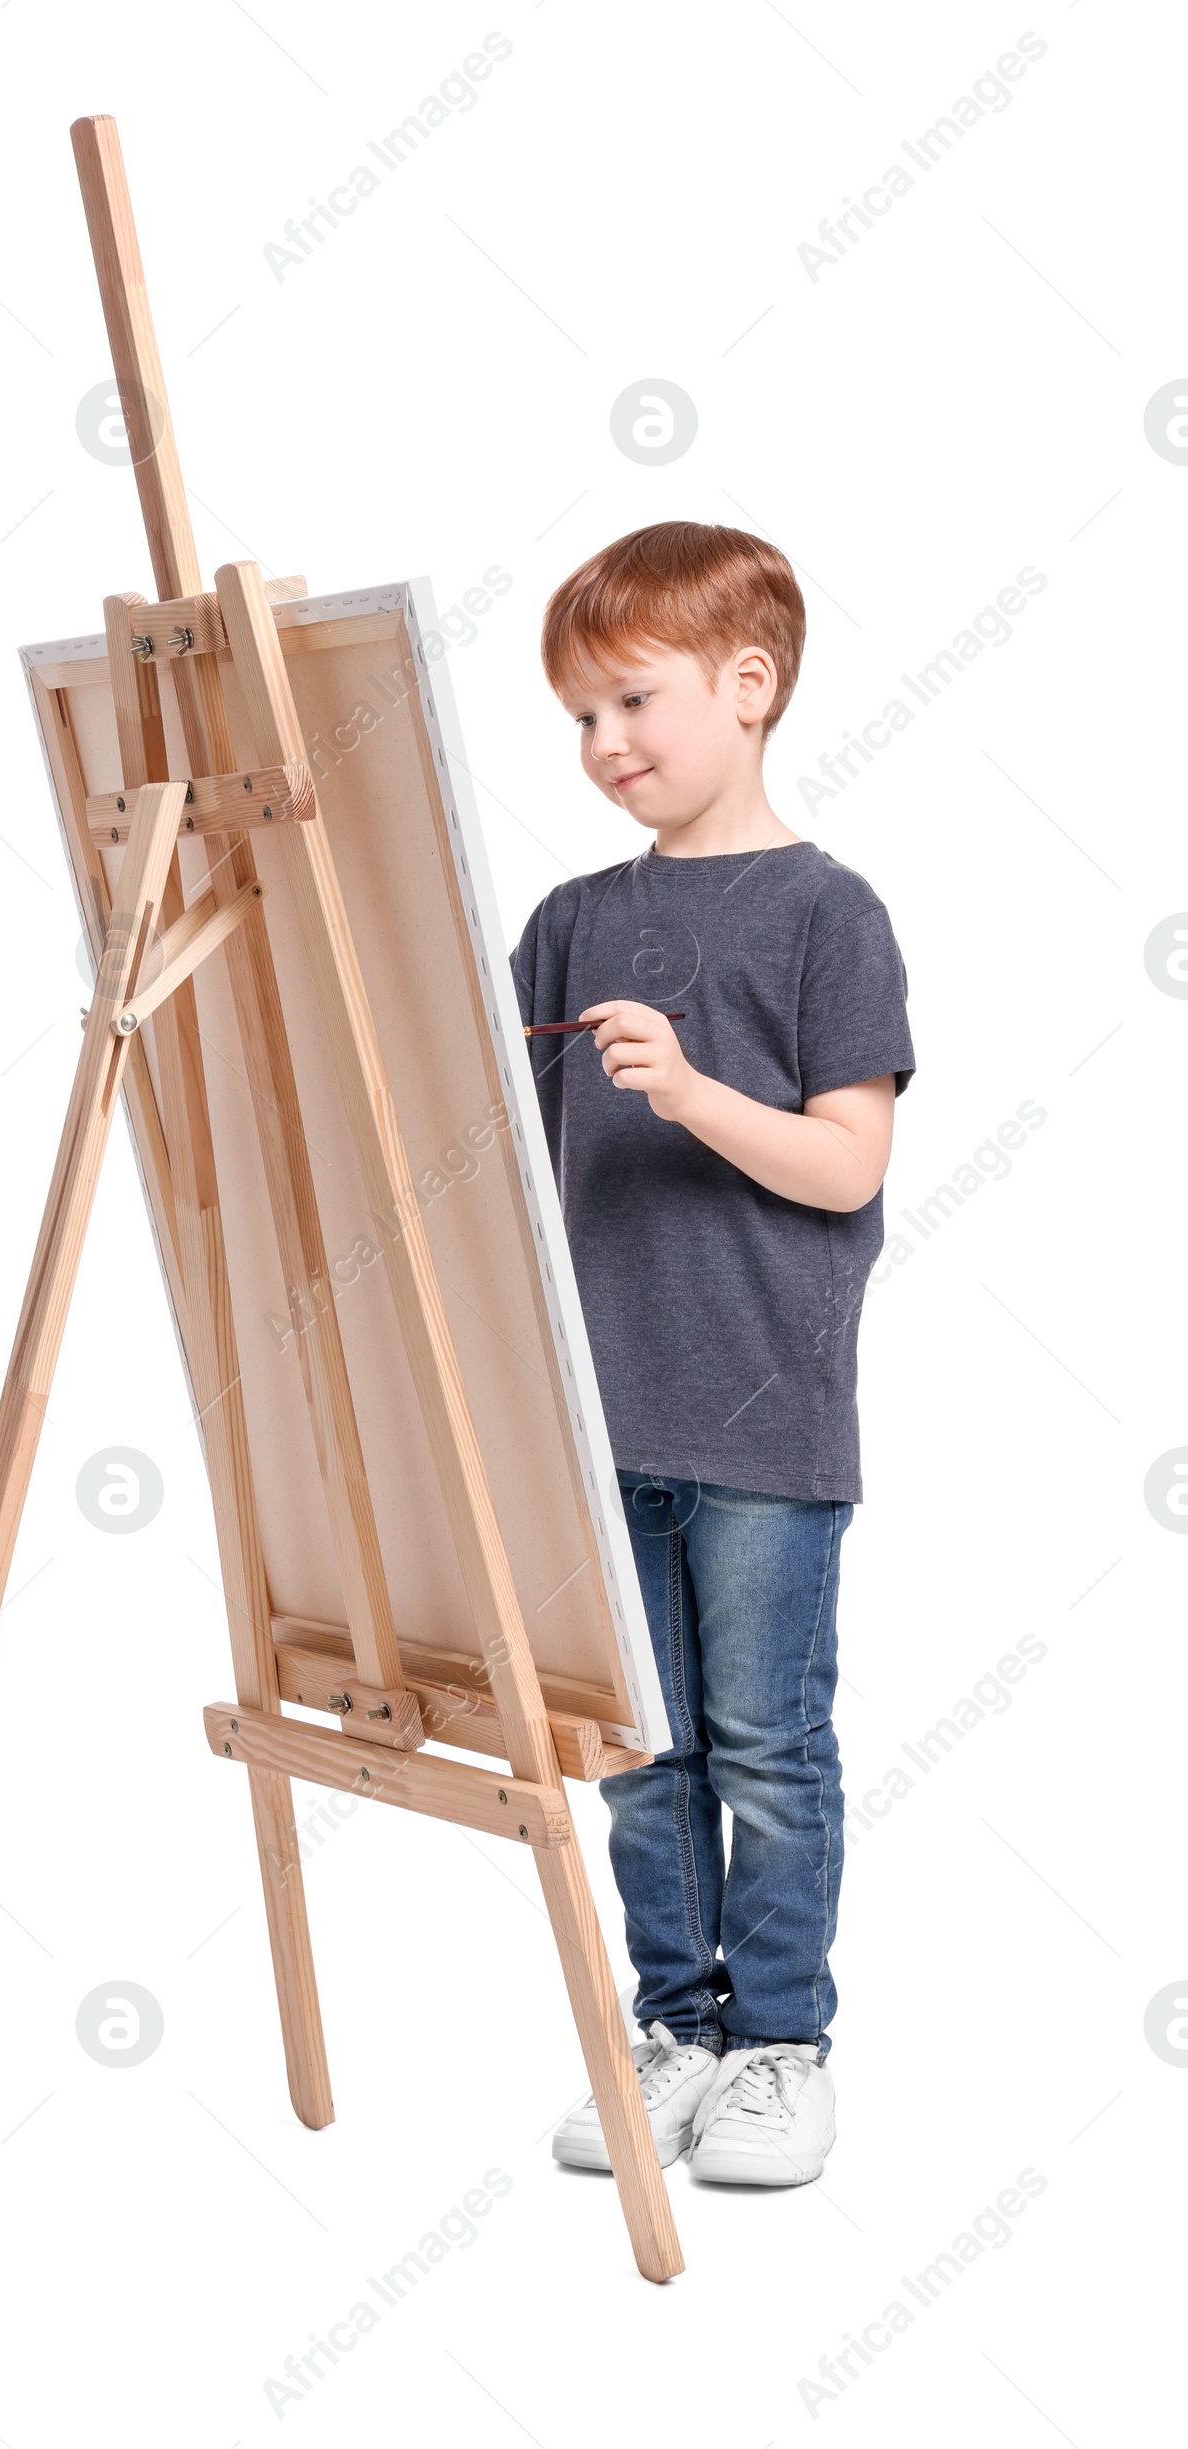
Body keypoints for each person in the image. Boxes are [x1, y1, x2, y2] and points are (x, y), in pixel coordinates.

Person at [510, 522, 915, 2186]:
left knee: (765, 1742)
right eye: (581, 719)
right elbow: (500, 1156)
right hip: (600, 1422)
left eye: (632, 702)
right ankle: (675, 2026)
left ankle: (780, 2047)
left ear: (748, 687)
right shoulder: (561, 919)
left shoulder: (832, 912)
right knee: (639, 1748)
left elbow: (848, 1163)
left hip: (764, 1425)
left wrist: (686, 1090)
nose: (606, 747)